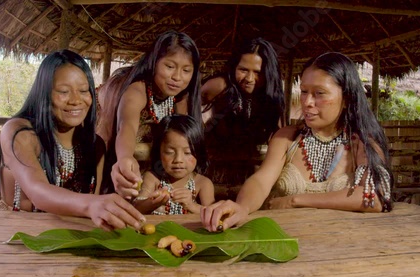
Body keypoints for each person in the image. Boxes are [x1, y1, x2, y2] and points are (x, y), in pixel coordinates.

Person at [201, 52, 393, 232]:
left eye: (319, 93)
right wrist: (242, 207)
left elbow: (374, 198)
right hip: (283, 237)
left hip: (339, 245)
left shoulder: (361, 143)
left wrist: (297, 200)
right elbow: (260, 181)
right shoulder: (287, 138)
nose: (307, 101)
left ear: (346, 98)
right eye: (303, 91)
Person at [0, 49, 145, 231]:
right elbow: (37, 190)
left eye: (83, 91)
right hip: (17, 233)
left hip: (68, 232)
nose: (76, 100)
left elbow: (93, 207)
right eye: (64, 91)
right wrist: (92, 204)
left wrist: (129, 194)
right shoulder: (20, 132)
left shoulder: (95, 145)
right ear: (44, 93)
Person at [97, 30, 202, 198]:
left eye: (186, 70)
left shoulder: (182, 97)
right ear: (154, 63)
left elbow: (185, 136)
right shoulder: (136, 91)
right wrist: (125, 158)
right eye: (169, 67)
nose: (177, 77)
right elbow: (127, 126)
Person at [200, 37, 285, 198]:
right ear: (234, 67)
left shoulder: (270, 98)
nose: (249, 78)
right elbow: (186, 111)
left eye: (258, 72)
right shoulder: (220, 86)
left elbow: (278, 134)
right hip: (213, 175)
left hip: (250, 175)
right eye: (243, 70)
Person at [132, 114, 215, 214]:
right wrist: (152, 202)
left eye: (187, 153)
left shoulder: (203, 184)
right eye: (169, 152)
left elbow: (213, 214)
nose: (178, 160)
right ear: (158, 152)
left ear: (198, 153)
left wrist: (191, 205)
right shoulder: (152, 178)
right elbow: (136, 207)